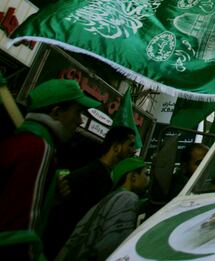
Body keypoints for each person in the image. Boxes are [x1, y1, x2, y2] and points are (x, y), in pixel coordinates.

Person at [0, 79, 100, 260]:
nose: (79, 121)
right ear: (56, 112)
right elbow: (18, 235)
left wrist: (50, 195)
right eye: (77, 113)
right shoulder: (38, 148)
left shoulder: (23, 143)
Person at [45, 125, 137, 258]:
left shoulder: (105, 176)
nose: (133, 151)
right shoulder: (91, 175)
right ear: (116, 147)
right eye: (131, 145)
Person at [56, 157, 150, 261]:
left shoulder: (109, 198)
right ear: (133, 177)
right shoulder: (128, 198)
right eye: (146, 174)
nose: (148, 179)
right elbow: (114, 242)